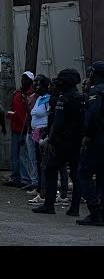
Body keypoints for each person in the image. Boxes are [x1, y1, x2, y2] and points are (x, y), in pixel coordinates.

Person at [32, 68, 84, 216]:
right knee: (75, 174)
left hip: (62, 142)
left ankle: (49, 205)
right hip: (76, 142)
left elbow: (58, 123)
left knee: (50, 169)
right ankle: (74, 208)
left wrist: (51, 141)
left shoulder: (64, 99)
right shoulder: (82, 97)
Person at [77, 62, 104, 226]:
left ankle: (95, 211)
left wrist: (87, 135)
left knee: (84, 173)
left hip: (97, 140)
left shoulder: (96, 91)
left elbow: (93, 116)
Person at [3, 71, 35, 188]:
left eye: (26, 80)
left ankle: (25, 178)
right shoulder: (17, 94)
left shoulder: (32, 95)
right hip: (15, 127)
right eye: (23, 79)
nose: (24, 82)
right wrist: (11, 115)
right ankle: (15, 177)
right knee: (14, 154)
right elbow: (12, 109)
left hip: (26, 129)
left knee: (23, 155)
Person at [26, 75, 51, 203]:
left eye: (40, 84)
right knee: (37, 160)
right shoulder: (39, 98)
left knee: (44, 163)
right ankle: (39, 188)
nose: (36, 86)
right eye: (36, 84)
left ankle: (43, 192)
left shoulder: (48, 99)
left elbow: (49, 116)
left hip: (43, 133)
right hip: (35, 132)